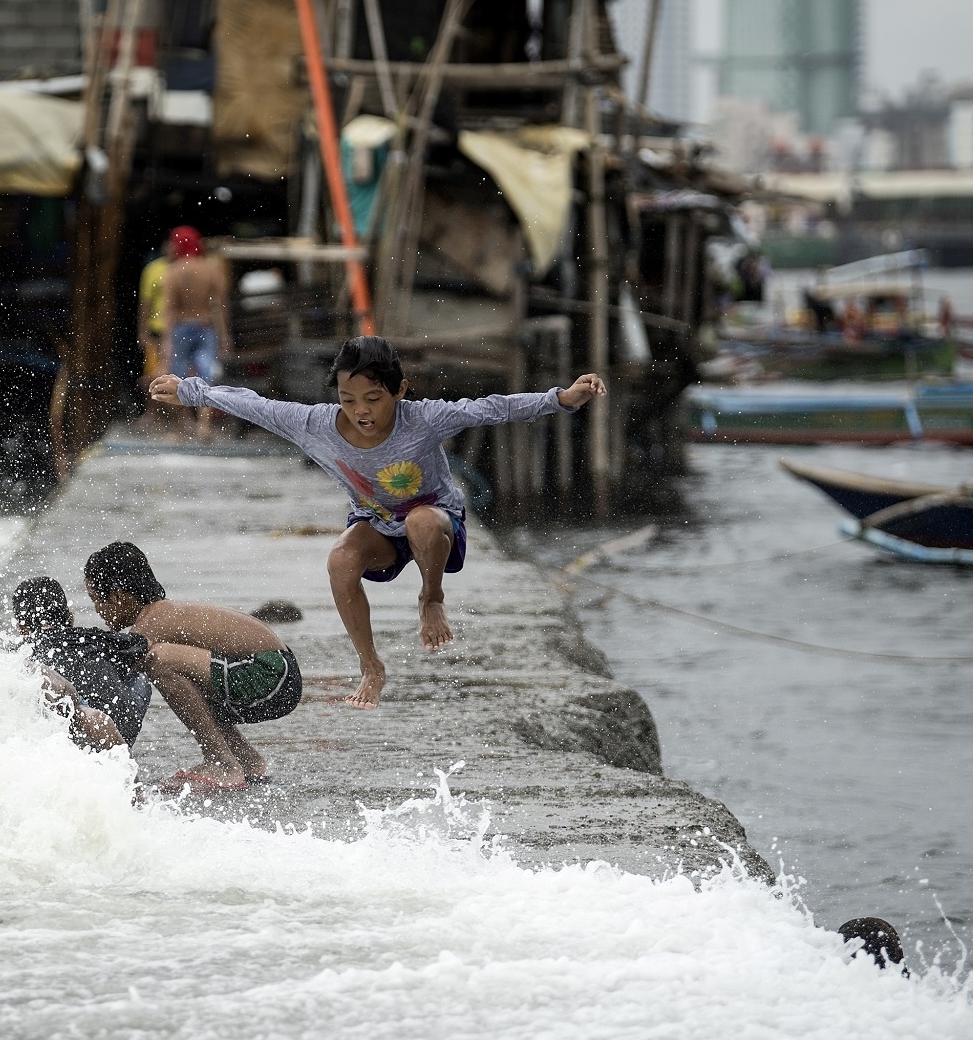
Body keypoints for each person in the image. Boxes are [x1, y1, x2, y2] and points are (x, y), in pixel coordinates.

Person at [149, 335, 605, 709]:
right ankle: (371, 666)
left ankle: (431, 598)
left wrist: (562, 399)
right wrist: (190, 391)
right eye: (348, 400)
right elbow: (253, 404)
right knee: (340, 559)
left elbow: (491, 407)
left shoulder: (423, 419)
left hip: (437, 527)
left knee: (421, 522)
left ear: (399, 390)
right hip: (378, 526)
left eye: (373, 399)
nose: (361, 411)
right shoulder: (315, 425)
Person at [83, 541, 301, 793]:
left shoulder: (151, 625)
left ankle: (222, 764)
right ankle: (247, 761)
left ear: (119, 596)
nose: (97, 610)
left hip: (270, 674)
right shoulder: (163, 614)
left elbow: (111, 678)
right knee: (187, 681)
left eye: (96, 600)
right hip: (282, 676)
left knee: (158, 659)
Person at [12, 576, 153, 752]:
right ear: (71, 618)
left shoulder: (18, 654)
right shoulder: (92, 638)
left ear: (21, 628)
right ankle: (121, 751)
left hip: (58, 736)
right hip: (115, 727)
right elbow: (143, 644)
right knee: (138, 677)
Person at [158, 226, 229, 443]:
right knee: (206, 377)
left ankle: (178, 429)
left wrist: (166, 340)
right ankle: (204, 427)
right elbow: (220, 306)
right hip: (205, 326)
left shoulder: (173, 271)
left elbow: (170, 309)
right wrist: (225, 335)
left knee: (177, 378)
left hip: (181, 327)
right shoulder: (211, 269)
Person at [136, 233, 176, 383]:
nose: (173, 249)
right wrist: (142, 332)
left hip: (177, 330)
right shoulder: (152, 269)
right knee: (152, 376)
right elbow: (145, 303)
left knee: (176, 377)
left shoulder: (184, 268)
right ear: (164, 246)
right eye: (170, 245)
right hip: (156, 329)